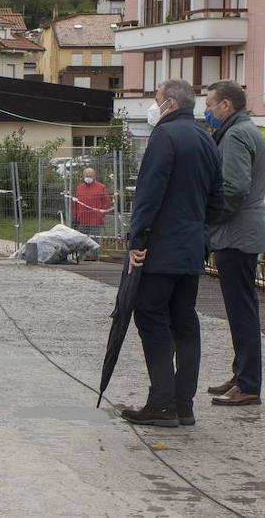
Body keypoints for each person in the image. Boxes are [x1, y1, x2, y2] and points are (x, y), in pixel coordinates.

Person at [122, 79, 223, 427]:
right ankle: (184, 405)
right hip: (192, 249)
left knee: (151, 318)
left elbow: (149, 194)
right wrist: (200, 235)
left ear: (170, 104)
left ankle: (161, 402)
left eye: (156, 100)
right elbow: (217, 200)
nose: (154, 106)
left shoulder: (163, 137)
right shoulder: (206, 139)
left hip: (160, 250)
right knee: (185, 322)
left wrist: (137, 241)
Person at [203, 80, 264, 407]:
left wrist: (212, 218)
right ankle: (242, 373)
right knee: (241, 308)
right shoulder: (244, 130)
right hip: (241, 231)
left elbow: (235, 187)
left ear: (226, 105)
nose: (207, 110)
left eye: (211, 104)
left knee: (241, 310)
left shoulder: (237, 135)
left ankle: (248, 384)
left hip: (236, 232)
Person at [73, 167, 111, 242]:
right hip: (82, 220)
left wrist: (101, 215)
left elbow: (106, 203)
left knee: (94, 241)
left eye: (90, 176)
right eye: (87, 176)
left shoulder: (101, 187)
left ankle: (93, 254)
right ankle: (82, 254)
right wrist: (75, 217)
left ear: (94, 176)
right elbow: (75, 204)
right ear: (83, 176)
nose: (88, 178)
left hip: (95, 220)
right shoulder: (79, 188)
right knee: (81, 241)